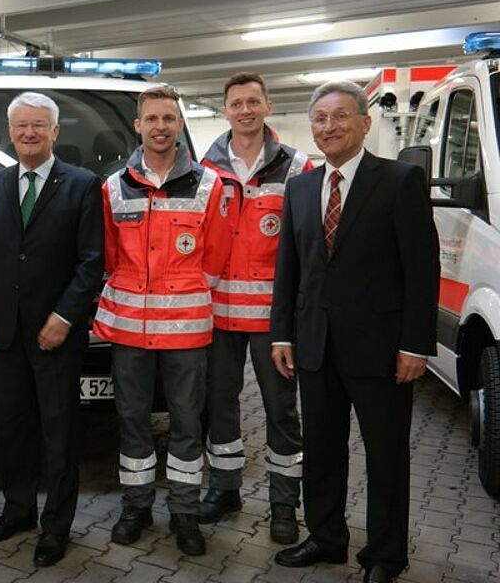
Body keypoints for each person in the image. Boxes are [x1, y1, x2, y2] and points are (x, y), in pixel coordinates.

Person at [270, 81, 439, 583]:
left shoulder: (400, 181)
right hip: (316, 346)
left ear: (365, 123)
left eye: (340, 116)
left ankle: (385, 556)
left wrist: (415, 343)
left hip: (383, 351)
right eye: (319, 118)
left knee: (385, 454)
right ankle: (326, 538)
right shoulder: (300, 187)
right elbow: (289, 269)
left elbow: (421, 268)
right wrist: (283, 334)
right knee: (321, 449)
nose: (329, 127)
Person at [0, 92, 104, 567]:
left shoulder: (83, 185)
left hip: (56, 336)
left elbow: (91, 262)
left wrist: (64, 318)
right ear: (11, 131)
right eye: (22, 125)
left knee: (59, 432)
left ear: (55, 132)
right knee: (13, 427)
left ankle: (57, 525)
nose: (29, 133)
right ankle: (18, 510)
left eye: (39, 126)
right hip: (3, 334)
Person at [93, 85, 230, 556]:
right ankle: (135, 507)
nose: (160, 126)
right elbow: (110, 259)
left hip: (187, 331)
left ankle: (185, 513)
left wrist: (181, 298)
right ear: (138, 125)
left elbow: (214, 259)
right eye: (151, 118)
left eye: (169, 118)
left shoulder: (209, 184)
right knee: (131, 420)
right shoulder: (114, 185)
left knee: (187, 423)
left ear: (179, 123)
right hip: (129, 329)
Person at [199, 72, 311, 543]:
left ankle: (284, 504)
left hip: (272, 318)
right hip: (218, 314)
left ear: (268, 106)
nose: (245, 110)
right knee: (218, 406)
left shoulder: (298, 168)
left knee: (280, 411)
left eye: (252, 102)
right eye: (236, 103)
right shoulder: (204, 166)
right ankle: (225, 488)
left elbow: (307, 247)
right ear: (225, 110)